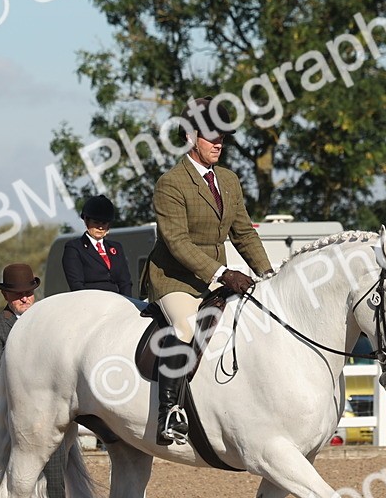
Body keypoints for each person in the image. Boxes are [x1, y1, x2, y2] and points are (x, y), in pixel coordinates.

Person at [143, 97, 274, 444]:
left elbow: (244, 233)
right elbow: (177, 243)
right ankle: (168, 412)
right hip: (174, 279)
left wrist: (268, 275)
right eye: (210, 136)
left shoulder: (229, 180)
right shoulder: (170, 183)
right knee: (185, 328)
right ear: (190, 136)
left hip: (214, 276)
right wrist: (223, 273)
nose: (218, 143)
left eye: (223, 136)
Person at [0, 262, 86, 498]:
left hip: (48, 420)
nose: (24, 299)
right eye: (17, 294)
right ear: (7, 295)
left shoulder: (48, 326)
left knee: (54, 484)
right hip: (10, 419)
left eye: (28, 293)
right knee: (12, 488)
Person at [62, 194, 133, 296]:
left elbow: (125, 282)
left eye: (104, 223)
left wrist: (126, 303)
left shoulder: (116, 248)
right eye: (96, 222)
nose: (100, 227)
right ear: (86, 221)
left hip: (117, 302)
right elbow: (77, 285)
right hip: (92, 302)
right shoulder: (74, 248)